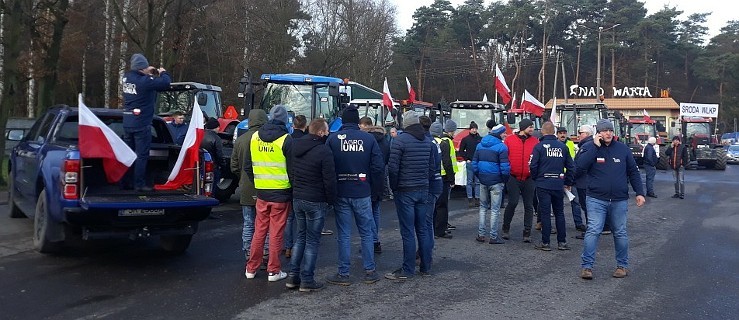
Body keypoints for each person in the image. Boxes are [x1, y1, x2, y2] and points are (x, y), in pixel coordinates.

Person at [576, 119, 645, 280]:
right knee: (593, 230)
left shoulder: (623, 149)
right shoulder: (589, 148)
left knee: (620, 232)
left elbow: (633, 172)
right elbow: (580, 167)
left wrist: (639, 193)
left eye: (610, 130)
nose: (608, 133)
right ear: (598, 132)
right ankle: (587, 267)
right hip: (596, 198)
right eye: (604, 130)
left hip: (619, 199)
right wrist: (594, 147)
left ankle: (622, 266)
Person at [325, 106, 384, 285]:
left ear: (342, 121)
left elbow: (327, 167)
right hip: (362, 191)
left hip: (341, 191)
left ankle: (343, 274)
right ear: (358, 121)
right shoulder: (368, 139)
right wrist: (376, 190)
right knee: (366, 232)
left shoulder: (333, 139)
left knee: (344, 234)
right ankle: (370, 271)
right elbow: (378, 167)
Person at [285, 118, 337, 292]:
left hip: (298, 197)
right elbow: (329, 180)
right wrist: (331, 200)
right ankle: (307, 279)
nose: (329, 133)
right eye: (327, 130)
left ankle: (293, 276)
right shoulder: (324, 151)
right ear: (321, 132)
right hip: (316, 200)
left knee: (300, 237)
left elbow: (290, 171)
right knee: (313, 241)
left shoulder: (295, 146)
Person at [244, 105, 294, 282]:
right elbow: (293, 169)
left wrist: (258, 183)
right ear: (285, 120)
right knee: (276, 233)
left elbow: (247, 166)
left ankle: (251, 268)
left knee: (259, 231)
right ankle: (273, 270)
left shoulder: (255, 137)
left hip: (262, 192)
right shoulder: (286, 139)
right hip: (281, 193)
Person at [386, 111, 436, 280]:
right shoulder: (428, 142)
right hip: (423, 189)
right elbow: (432, 167)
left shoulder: (399, 141)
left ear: (405, 124)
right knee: (422, 229)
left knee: (408, 231)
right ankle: (426, 267)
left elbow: (393, 168)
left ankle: (407, 269)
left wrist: (394, 188)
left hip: (405, 190)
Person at [121, 53, 171, 192]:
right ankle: (139, 184)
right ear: (142, 68)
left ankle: (125, 182)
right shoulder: (145, 81)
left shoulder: (126, 78)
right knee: (141, 155)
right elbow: (165, 83)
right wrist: (163, 72)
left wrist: (146, 71)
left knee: (128, 155)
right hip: (141, 123)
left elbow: (139, 78)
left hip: (127, 122)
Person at [530, 122, 575, 251]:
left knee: (545, 213)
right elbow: (571, 167)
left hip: (543, 183)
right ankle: (562, 242)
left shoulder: (538, 147)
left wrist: (536, 178)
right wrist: (568, 182)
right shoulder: (562, 147)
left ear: (543, 132)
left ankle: (546, 242)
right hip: (558, 183)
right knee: (559, 213)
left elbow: (533, 165)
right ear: (554, 132)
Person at [231, 109, 268, 260]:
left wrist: (243, 178)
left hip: (246, 187)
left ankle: (248, 252)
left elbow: (234, 166)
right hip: (266, 186)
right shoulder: (268, 138)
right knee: (265, 223)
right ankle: (265, 252)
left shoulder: (240, 140)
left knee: (248, 222)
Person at [501, 118, 539, 242]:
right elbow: (504, 157)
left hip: (529, 178)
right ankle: (505, 228)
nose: (532, 129)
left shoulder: (535, 142)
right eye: (530, 127)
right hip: (513, 177)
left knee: (529, 206)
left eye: (532, 127)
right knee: (512, 203)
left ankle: (527, 232)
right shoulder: (509, 140)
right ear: (523, 128)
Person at [472, 121, 510, 244]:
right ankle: (493, 236)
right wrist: (504, 180)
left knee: (483, 208)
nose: (505, 134)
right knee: (495, 210)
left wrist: (480, 176)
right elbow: (505, 167)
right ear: (499, 134)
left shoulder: (480, 145)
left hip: (483, 180)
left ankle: (481, 234)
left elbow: (474, 164)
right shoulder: (502, 147)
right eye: (504, 133)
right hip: (496, 181)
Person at [359, 116, 391, 254]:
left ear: (364, 126)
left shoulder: (366, 140)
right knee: (375, 209)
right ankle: (374, 239)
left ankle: (372, 241)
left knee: (366, 212)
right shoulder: (384, 138)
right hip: (381, 177)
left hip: (368, 178)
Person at [284, 114, 309, 258]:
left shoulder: (288, 140)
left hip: (288, 181)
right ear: (305, 126)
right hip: (303, 182)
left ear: (293, 125)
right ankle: (300, 246)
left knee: (289, 218)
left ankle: (288, 247)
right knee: (302, 218)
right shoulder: (306, 141)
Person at [553, 126, 585, 232]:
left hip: (569, 175)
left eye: (564, 133)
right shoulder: (554, 145)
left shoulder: (571, 144)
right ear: (557, 134)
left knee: (575, 201)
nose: (562, 135)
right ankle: (558, 224)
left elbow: (573, 161)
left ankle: (579, 223)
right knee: (557, 201)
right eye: (560, 133)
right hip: (557, 175)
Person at [430, 120, 458, 239]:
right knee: (442, 205)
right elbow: (447, 163)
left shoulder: (428, 141)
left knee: (432, 205)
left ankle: (431, 229)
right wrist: (452, 179)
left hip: (431, 176)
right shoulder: (443, 143)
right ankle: (440, 230)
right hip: (443, 177)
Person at [574, 125, 594, 240]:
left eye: (580, 132)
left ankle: (590, 231)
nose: (578, 135)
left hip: (583, 182)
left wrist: (571, 178)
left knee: (587, 207)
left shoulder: (586, 146)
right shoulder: (589, 145)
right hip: (586, 181)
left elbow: (581, 166)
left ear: (587, 134)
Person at [460, 121, 482, 207]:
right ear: (470, 129)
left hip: (478, 162)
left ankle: (477, 198)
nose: (474, 130)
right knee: (469, 181)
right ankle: (470, 199)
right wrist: (466, 159)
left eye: (475, 128)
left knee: (477, 182)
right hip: (470, 162)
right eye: (473, 128)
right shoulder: (465, 139)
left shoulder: (480, 139)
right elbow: (461, 151)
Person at [201, 117, 225, 185]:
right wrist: (223, 167)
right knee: (212, 185)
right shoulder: (216, 138)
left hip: (200, 165)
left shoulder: (200, 135)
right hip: (213, 166)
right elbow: (219, 155)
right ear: (216, 127)